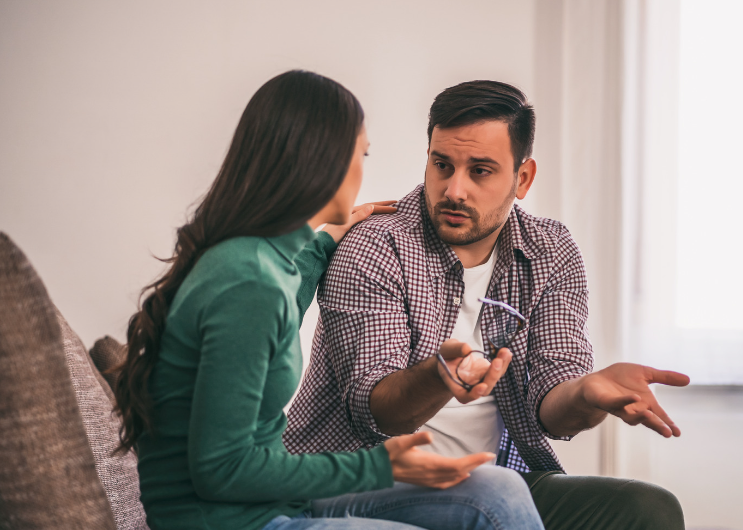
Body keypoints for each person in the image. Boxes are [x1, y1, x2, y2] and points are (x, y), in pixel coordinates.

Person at [113, 71, 545, 530]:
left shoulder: (261, 261)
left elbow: (283, 302)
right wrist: (381, 466)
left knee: (499, 490)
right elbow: (221, 470)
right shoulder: (246, 282)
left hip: (278, 502)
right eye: (360, 155)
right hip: (232, 521)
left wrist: (323, 241)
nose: (363, 171)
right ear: (320, 162)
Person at [285, 80, 689, 530]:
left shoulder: (549, 250)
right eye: (442, 165)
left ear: (523, 178)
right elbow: (377, 409)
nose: (454, 190)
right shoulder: (375, 246)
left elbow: (553, 407)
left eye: (480, 170)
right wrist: (440, 376)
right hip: (358, 480)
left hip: (494, 479)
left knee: (646, 509)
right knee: (495, 496)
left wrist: (588, 394)